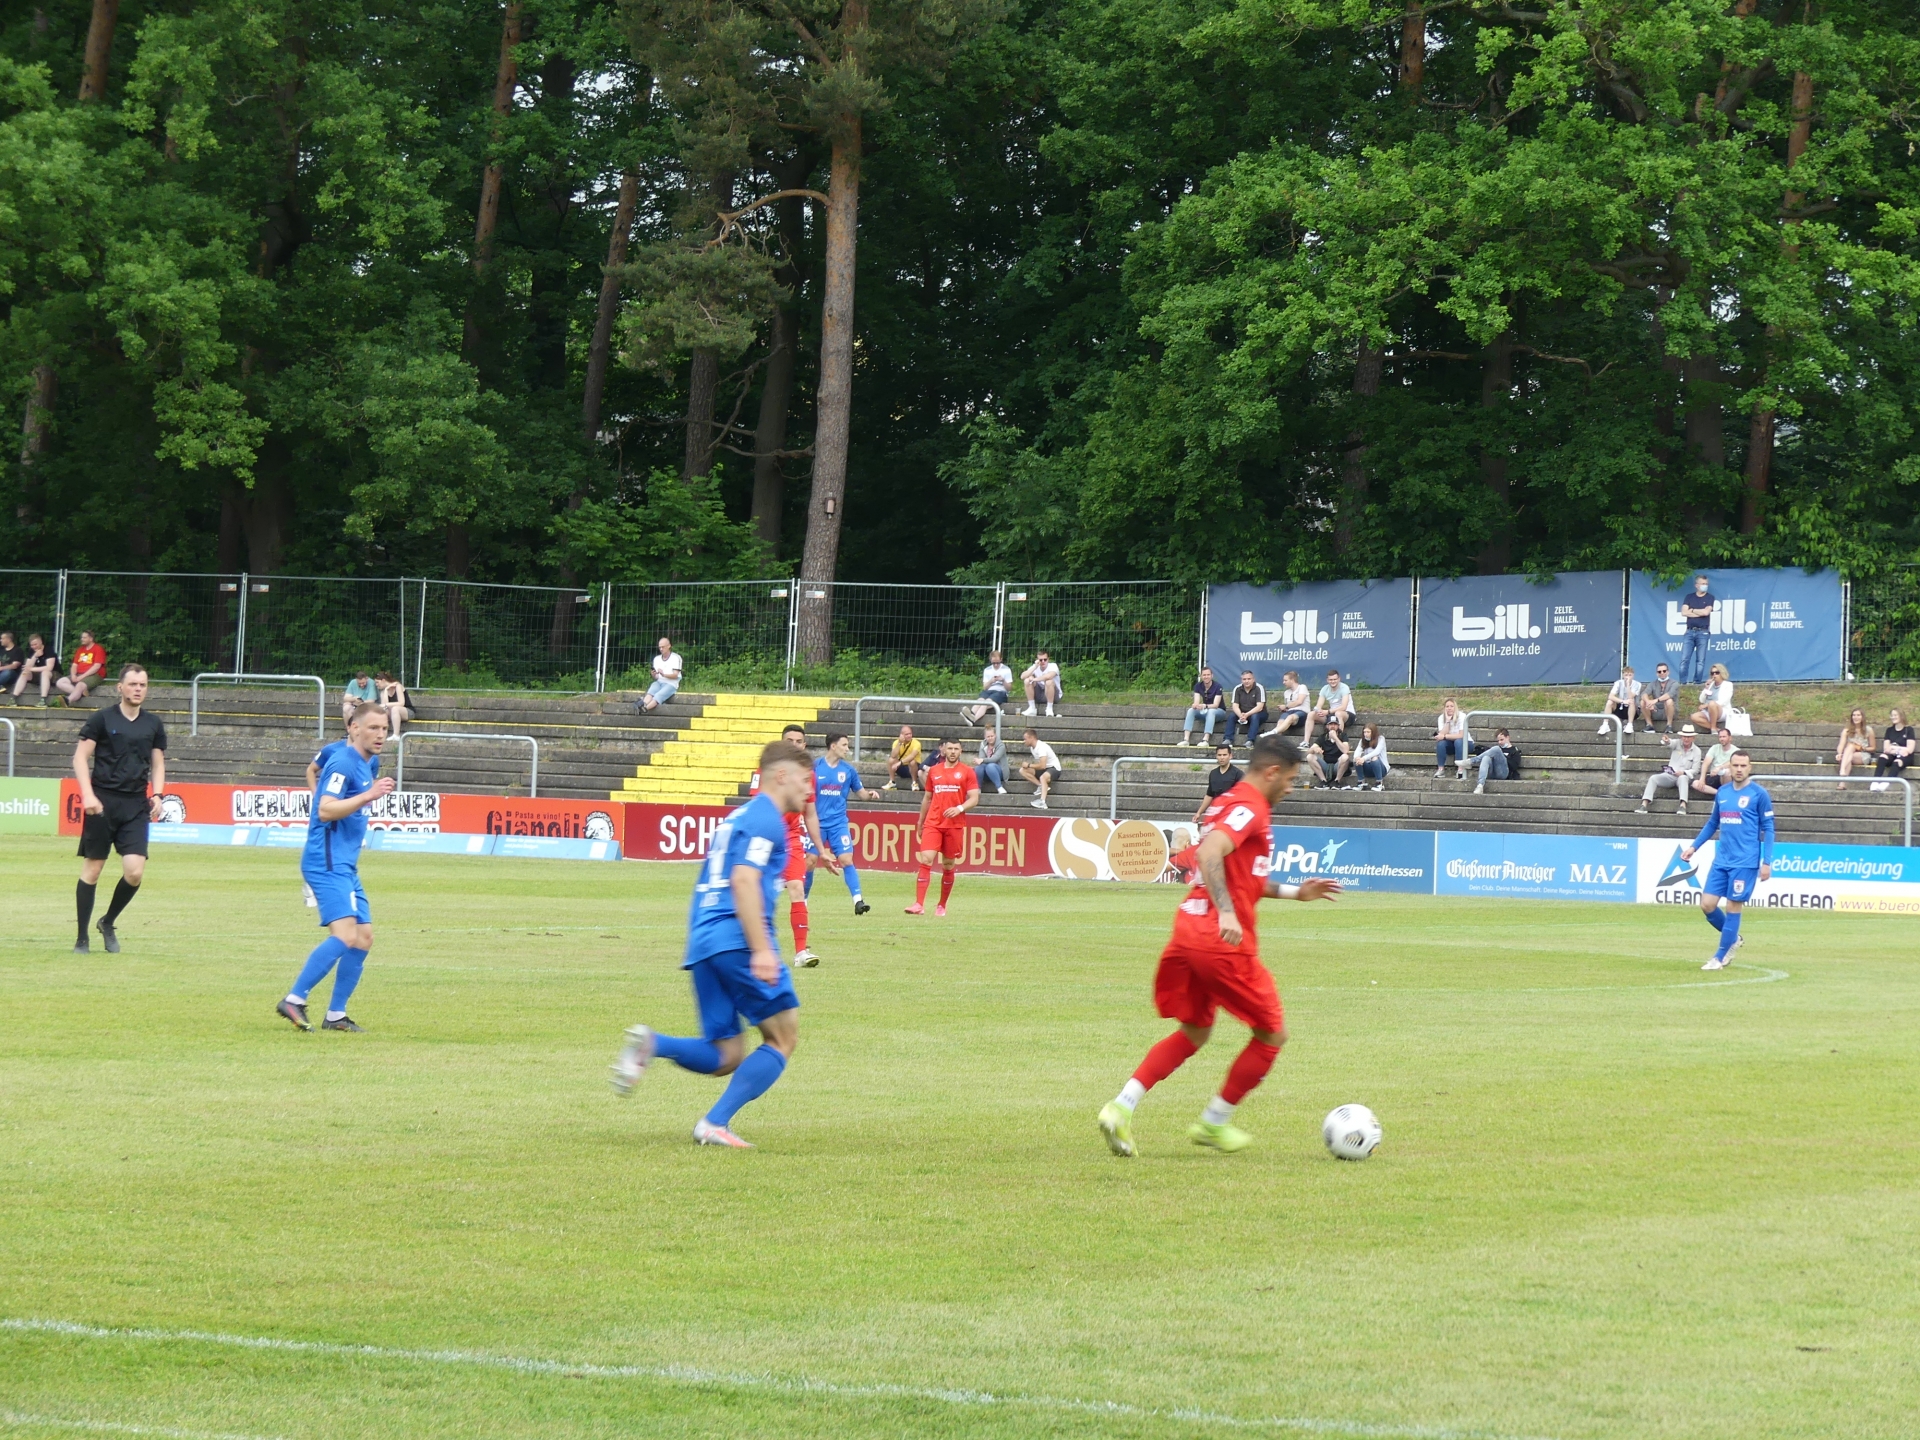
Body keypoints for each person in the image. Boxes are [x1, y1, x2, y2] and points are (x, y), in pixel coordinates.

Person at [1096, 735, 1342, 1158]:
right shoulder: (1252, 806)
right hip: (1220, 940)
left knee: (1195, 1031)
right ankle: (1213, 1122)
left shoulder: (1225, 802)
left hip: (1189, 929)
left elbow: (1239, 873)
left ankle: (1120, 1107)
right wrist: (1226, 913)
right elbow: (1210, 852)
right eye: (1290, 779)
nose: (1291, 788)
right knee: (1272, 1033)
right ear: (1271, 772)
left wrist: (1294, 893)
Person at [608, 739, 810, 1148]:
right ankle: (714, 1123)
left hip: (704, 939)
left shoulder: (737, 817)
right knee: (783, 1037)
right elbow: (744, 879)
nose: (809, 790)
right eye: (805, 780)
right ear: (781, 775)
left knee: (726, 1054)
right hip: (738, 938)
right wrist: (762, 949)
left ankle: (653, 1043)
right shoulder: (768, 819)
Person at [276, 702, 394, 1032]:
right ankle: (294, 999)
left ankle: (335, 1015)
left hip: (345, 862)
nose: (380, 734)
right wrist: (368, 796)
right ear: (354, 728)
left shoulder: (370, 762)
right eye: (373, 728)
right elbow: (325, 810)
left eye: (384, 729)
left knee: (364, 937)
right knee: (345, 935)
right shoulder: (342, 761)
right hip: (325, 860)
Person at [72, 664, 167, 954]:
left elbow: (158, 764)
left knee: (134, 872)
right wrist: (88, 795)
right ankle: (82, 938)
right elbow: (79, 758)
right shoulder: (102, 718)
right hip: (102, 803)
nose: (138, 689)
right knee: (93, 869)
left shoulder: (153, 724)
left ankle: (108, 922)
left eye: (143, 684)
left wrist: (158, 794)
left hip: (136, 805)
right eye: (133, 684)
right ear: (120, 687)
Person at [748, 724, 834, 967]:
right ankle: (752, 948)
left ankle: (801, 953)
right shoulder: (765, 771)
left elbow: (811, 814)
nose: (794, 745)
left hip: (791, 838)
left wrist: (821, 850)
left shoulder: (809, 775)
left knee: (797, 888)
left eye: (799, 741)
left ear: (804, 745)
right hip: (765, 836)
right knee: (755, 893)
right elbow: (756, 805)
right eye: (789, 741)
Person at [1681, 751, 1774, 971]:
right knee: (1707, 905)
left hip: (1745, 861)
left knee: (1733, 906)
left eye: (1743, 765)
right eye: (1735, 765)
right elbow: (1712, 823)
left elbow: (1769, 829)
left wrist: (1767, 861)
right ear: (1729, 767)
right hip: (1722, 859)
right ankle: (1733, 938)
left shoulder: (1759, 794)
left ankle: (1719, 957)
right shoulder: (1722, 792)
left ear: (1750, 767)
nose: (1739, 769)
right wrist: (1694, 847)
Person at [906, 737, 981, 916]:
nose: (953, 752)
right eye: (950, 748)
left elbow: (974, 798)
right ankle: (919, 904)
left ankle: (941, 905)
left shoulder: (967, 772)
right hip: (933, 822)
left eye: (956, 749)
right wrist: (920, 821)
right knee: (926, 859)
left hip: (954, 825)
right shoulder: (934, 771)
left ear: (961, 751)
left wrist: (959, 808)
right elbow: (927, 798)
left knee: (948, 864)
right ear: (944, 750)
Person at [807, 733, 877, 918]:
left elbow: (861, 793)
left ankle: (858, 901)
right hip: (817, 823)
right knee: (810, 861)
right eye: (844, 745)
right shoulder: (815, 767)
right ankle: (802, 902)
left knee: (846, 860)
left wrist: (870, 795)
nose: (847, 749)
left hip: (838, 824)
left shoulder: (848, 771)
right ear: (833, 746)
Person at [1636, 724, 1702, 815]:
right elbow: (1670, 742)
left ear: (1693, 738)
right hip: (1670, 775)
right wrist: (1666, 740)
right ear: (1681, 737)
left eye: (1688, 737)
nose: (1686, 739)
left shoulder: (1697, 751)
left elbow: (1695, 770)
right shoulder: (1677, 743)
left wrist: (1683, 772)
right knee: (1653, 778)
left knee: (1683, 778)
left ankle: (1683, 805)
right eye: (1684, 736)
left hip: (1684, 776)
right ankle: (1644, 804)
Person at [1678, 575, 1715, 685]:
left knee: (1700, 660)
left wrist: (1692, 610)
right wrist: (1699, 612)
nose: (1705, 586)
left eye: (1706, 584)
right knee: (1685, 659)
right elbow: (1684, 612)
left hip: (1703, 632)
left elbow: (1706, 612)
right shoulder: (1689, 597)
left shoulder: (1710, 598)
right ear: (1696, 585)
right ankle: (1683, 682)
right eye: (1703, 584)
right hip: (1689, 631)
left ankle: (1697, 682)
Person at [55, 630, 107, 706]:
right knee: (60, 682)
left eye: (84, 638)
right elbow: (74, 665)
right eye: (81, 637)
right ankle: (80, 693)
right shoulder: (80, 649)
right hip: (78, 674)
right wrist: (73, 675)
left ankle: (68, 700)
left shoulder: (98, 649)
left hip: (94, 675)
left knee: (80, 685)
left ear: (91, 639)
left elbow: (96, 667)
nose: (82, 639)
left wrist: (81, 677)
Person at [961, 651, 1014, 726]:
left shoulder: (1006, 669)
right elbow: (985, 687)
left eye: (997, 663)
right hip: (989, 691)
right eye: (994, 663)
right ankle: (970, 715)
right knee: (980, 701)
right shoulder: (987, 670)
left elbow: (1009, 688)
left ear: (1001, 659)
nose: (996, 665)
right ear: (990, 660)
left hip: (1001, 692)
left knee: (986, 703)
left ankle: (972, 719)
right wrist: (991, 681)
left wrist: (1003, 680)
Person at [1193, 744, 1242, 823]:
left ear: (1230, 756)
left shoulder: (1238, 774)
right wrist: (1199, 813)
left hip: (1231, 814)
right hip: (1216, 813)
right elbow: (1209, 795)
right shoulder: (1213, 773)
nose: (1222, 757)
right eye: (1219, 755)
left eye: (1224, 755)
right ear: (1216, 756)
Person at [1305, 669, 1353, 746]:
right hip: (1332, 715)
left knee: (1338, 713)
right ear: (1327, 680)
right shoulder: (1325, 689)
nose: (1333, 681)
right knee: (1311, 714)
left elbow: (1343, 707)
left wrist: (1328, 711)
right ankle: (1306, 742)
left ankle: (1338, 741)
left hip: (1347, 714)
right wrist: (1318, 710)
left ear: (1339, 679)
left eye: (1335, 679)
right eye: (1330, 680)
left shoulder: (1344, 688)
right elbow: (1318, 705)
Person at [1181, 667, 1226, 746]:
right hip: (1206, 711)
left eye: (1208, 675)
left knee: (1211, 711)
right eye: (1204, 675)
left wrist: (1204, 705)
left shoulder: (1218, 686)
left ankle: (1206, 740)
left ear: (1212, 676)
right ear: (1201, 676)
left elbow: (1216, 705)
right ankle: (1186, 739)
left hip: (1219, 711)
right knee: (1191, 710)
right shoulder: (1198, 686)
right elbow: (1196, 701)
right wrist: (1195, 705)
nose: (1206, 677)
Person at [1019, 728, 1062, 809]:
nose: (1024, 741)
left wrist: (1028, 765)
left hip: (1054, 769)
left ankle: (1042, 801)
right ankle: (1040, 786)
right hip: (1045, 769)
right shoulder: (1032, 748)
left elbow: (1042, 765)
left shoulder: (1041, 747)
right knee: (1022, 770)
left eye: (1025, 739)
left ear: (1031, 738)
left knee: (1043, 777)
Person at [1224, 670, 1266, 749]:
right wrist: (1240, 715)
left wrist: (1247, 714)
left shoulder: (1259, 688)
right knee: (1232, 716)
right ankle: (1228, 739)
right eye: (1244, 679)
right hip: (1242, 713)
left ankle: (1250, 741)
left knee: (1255, 716)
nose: (1246, 681)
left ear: (1253, 679)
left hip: (1259, 713)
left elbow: (1260, 707)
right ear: (1241, 680)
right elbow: (1235, 706)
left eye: (1249, 679)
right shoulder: (1237, 688)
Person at [640, 637, 683, 712]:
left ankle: (644, 709)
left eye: (663, 647)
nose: (661, 649)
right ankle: (642, 704)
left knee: (658, 695)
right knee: (651, 691)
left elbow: (675, 675)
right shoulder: (657, 659)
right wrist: (654, 675)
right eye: (660, 647)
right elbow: (657, 677)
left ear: (669, 646)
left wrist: (664, 675)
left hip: (671, 684)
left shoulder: (676, 658)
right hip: (659, 682)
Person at [1835, 708, 1875, 790]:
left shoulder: (1868, 730)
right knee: (1850, 749)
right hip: (1849, 754)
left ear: (1862, 717)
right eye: (1854, 715)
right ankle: (1842, 783)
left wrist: (1863, 748)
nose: (1856, 717)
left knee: (1848, 753)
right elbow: (1841, 745)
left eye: (1858, 715)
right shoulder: (1847, 730)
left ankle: (1842, 772)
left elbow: (1873, 748)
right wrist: (1839, 753)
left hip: (1863, 755)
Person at [12, 633, 57, 702]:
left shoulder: (49, 650)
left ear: (41, 642)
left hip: (53, 674)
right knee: (25, 673)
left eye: (35, 644)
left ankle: (43, 699)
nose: (34, 647)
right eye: (32, 645)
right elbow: (27, 667)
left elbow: (49, 668)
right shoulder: (32, 651)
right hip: (38, 674)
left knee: (45, 673)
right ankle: (14, 697)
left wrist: (31, 669)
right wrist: (35, 656)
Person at [1694, 725, 1737, 797]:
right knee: (1695, 783)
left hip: (1728, 778)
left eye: (1724, 737)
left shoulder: (1736, 750)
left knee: (1726, 772)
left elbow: (1733, 762)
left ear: (1730, 738)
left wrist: (1720, 768)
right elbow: (1705, 763)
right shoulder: (1714, 748)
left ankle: (1725, 792)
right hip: (1714, 777)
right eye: (1720, 737)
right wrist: (1702, 779)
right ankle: (1720, 793)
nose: (1722, 739)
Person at [1875, 708, 1914, 787]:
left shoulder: (1909, 730)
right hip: (1893, 754)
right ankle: (1875, 781)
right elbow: (1886, 749)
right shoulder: (1889, 730)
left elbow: (1910, 750)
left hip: (1906, 757)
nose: (1893, 717)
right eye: (1892, 715)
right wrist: (1898, 750)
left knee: (1897, 762)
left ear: (1901, 716)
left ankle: (1886, 783)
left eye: (1895, 715)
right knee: (1882, 757)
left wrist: (1893, 747)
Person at [1472, 728, 1517, 795]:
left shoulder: (1514, 750)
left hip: (1503, 773)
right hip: (1492, 772)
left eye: (1501, 740)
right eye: (1498, 740)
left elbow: (1514, 766)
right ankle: (1480, 785)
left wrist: (1502, 757)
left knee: (1496, 749)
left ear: (1507, 737)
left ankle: (1472, 761)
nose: (1499, 742)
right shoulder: (1495, 750)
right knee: (1486, 758)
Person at [1432, 697, 1468, 779]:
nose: (1449, 708)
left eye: (1451, 706)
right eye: (1447, 706)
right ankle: (1441, 769)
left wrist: (1444, 736)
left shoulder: (1462, 716)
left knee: (1458, 741)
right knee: (1441, 743)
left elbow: (1461, 735)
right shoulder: (1441, 718)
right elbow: (1441, 735)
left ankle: (1460, 769)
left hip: (1465, 744)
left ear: (1455, 707)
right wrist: (1448, 721)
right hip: (1451, 745)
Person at [1640, 662, 1680, 734]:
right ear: (1657, 673)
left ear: (1668, 672)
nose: (1662, 673)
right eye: (1659, 671)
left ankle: (1669, 726)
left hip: (1670, 711)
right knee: (1643, 702)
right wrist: (1648, 702)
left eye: (1664, 671)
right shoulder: (1652, 684)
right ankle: (1649, 725)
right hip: (1656, 710)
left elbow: (1669, 694)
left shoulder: (1675, 683)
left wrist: (1655, 700)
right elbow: (1644, 694)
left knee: (1669, 701)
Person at [1691, 663, 1733, 731]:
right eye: (1712, 673)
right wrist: (1706, 688)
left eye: (1717, 673)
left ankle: (1713, 728)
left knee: (1712, 703)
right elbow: (1701, 700)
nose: (1714, 675)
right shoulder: (1711, 685)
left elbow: (1724, 701)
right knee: (1694, 716)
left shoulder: (1728, 685)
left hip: (1722, 711)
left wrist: (1707, 705)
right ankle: (1716, 729)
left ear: (1722, 673)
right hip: (1708, 711)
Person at [1267, 671, 1310, 736]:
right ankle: (1276, 738)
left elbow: (1299, 701)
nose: (1283, 682)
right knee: (1280, 722)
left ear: (1292, 680)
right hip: (1290, 712)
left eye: (1285, 680)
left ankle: (1273, 732)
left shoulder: (1302, 687)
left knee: (1290, 717)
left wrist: (1286, 706)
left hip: (1302, 712)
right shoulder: (1286, 692)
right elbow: (1288, 707)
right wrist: (1284, 708)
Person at [1021, 650, 1061, 717]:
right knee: (1027, 681)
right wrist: (1034, 667)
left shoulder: (1053, 666)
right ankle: (1032, 708)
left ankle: (1049, 709)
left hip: (1053, 694)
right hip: (1039, 693)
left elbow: (1048, 676)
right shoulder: (1035, 667)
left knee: (1049, 682)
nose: (1043, 661)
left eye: (1045, 659)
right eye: (1040, 660)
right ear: (1037, 660)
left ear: (1048, 659)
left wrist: (1034, 679)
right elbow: (1022, 676)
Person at [1603, 666, 1641, 735]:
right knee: (1610, 701)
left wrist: (1628, 685)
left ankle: (1630, 725)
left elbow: (1630, 696)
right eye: (1626, 675)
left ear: (1633, 675)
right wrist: (1623, 701)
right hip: (1621, 706)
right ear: (1623, 675)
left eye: (1630, 675)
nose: (1628, 677)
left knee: (1631, 701)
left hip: (1633, 710)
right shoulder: (1618, 683)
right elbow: (1610, 696)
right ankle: (1605, 724)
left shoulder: (1637, 684)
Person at [884, 724, 923, 790]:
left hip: (914, 768)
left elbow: (912, 755)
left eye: (910, 734)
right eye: (907, 734)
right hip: (902, 767)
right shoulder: (896, 742)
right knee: (891, 760)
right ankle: (892, 782)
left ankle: (914, 783)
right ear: (901, 735)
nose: (909, 736)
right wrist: (899, 743)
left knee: (912, 762)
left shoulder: (916, 743)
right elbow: (893, 755)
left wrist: (900, 762)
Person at [1352, 724, 1389, 790]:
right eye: (1364, 732)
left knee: (1374, 758)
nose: (1366, 734)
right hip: (1368, 768)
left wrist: (1363, 758)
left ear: (1373, 732)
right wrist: (1357, 758)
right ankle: (1361, 782)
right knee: (1356, 759)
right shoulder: (1362, 740)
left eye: (1368, 732)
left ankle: (1379, 783)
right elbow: (1357, 751)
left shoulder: (1381, 739)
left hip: (1381, 769)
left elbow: (1376, 752)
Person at [977, 725, 1009, 793]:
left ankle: (999, 787)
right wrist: (980, 760)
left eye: (992, 736)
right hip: (987, 771)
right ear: (985, 737)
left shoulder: (1001, 745)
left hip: (999, 771)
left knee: (990, 766)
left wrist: (983, 760)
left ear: (995, 735)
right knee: (978, 767)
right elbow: (981, 758)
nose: (990, 738)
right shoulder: (983, 744)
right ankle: (978, 788)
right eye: (988, 737)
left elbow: (995, 759)